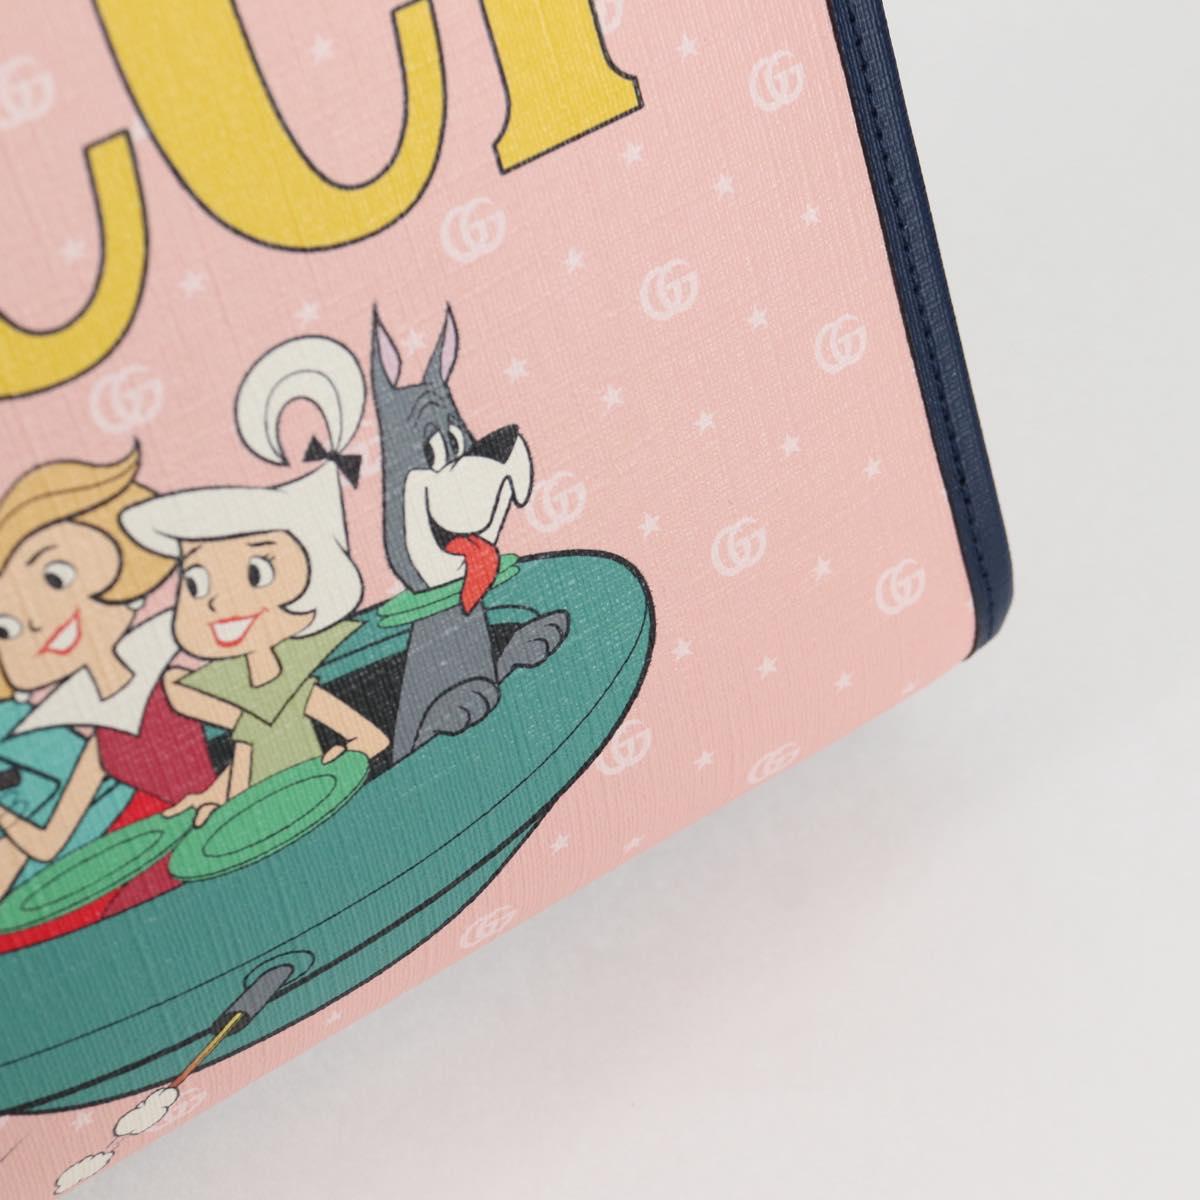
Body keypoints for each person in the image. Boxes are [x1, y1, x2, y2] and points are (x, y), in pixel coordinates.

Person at [121, 336, 389, 796]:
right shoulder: (243, 697)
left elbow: (372, 737)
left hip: (316, 799)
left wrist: (345, 760)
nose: (219, 602)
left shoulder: (296, 688)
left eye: (255, 575)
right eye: (195, 583)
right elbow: (244, 763)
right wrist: (212, 797)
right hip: (265, 813)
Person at [0, 448, 232, 948]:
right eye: (7, 627)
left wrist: (222, 791)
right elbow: (48, 843)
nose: (37, 621)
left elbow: (261, 728)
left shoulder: (169, 684)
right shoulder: (95, 742)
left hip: (203, 841)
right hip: (135, 856)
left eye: (55, 577)